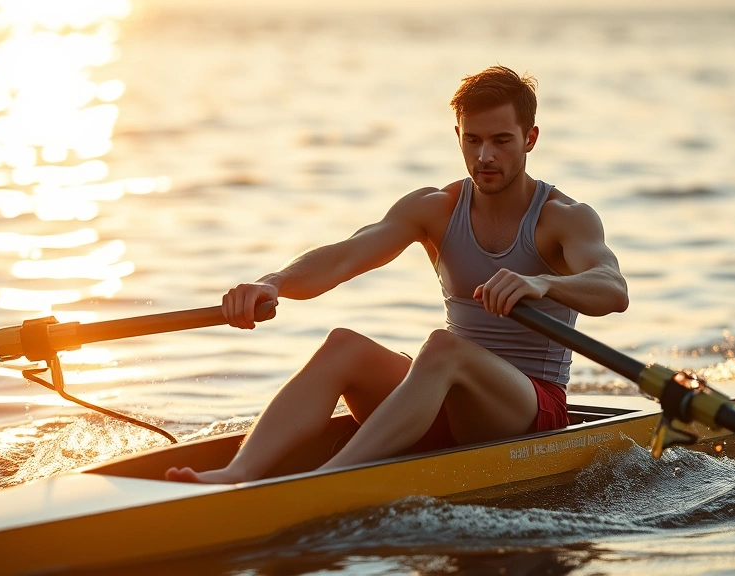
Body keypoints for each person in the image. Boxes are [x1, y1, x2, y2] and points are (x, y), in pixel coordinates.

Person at [165, 65, 628, 483]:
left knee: (443, 348)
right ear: (458, 135)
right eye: (473, 140)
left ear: (529, 138)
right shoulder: (435, 208)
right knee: (342, 344)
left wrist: (543, 283)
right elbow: (343, 257)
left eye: (501, 140)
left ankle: (326, 481)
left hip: (530, 406)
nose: (485, 155)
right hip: (447, 399)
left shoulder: (564, 218)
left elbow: (612, 288)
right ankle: (235, 474)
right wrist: (273, 282)